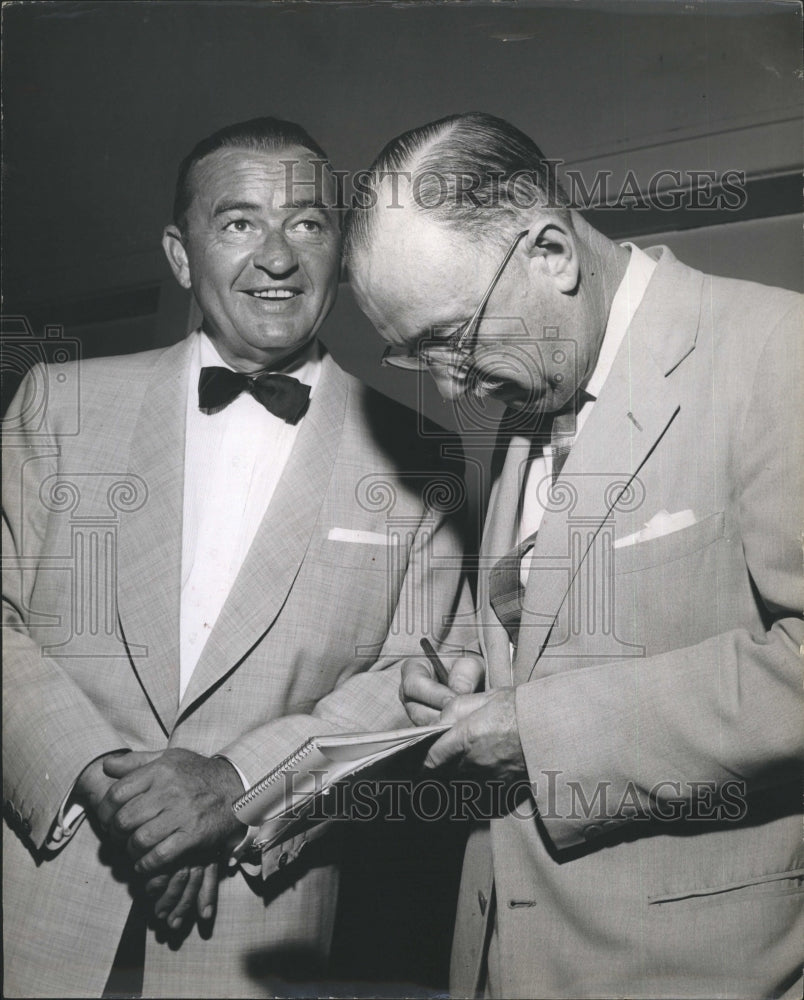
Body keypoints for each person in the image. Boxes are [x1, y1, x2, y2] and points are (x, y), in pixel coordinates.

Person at [2, 116, 471, 998]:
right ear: (182, 257)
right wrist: (109, 789)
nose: (278, 257)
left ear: (343, 249)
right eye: (239, 222)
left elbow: (419, 681)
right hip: (37, 903)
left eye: (307, 223)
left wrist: (232, 788)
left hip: (263, 928)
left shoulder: (425, 456)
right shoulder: (58, 402)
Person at [344, 112, 803, 999]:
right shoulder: (529, 402)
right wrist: (485, 686)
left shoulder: (774, 355)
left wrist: (541, 731)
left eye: (453, 338)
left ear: (551, 253)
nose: (450, 387)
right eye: (416, 354)